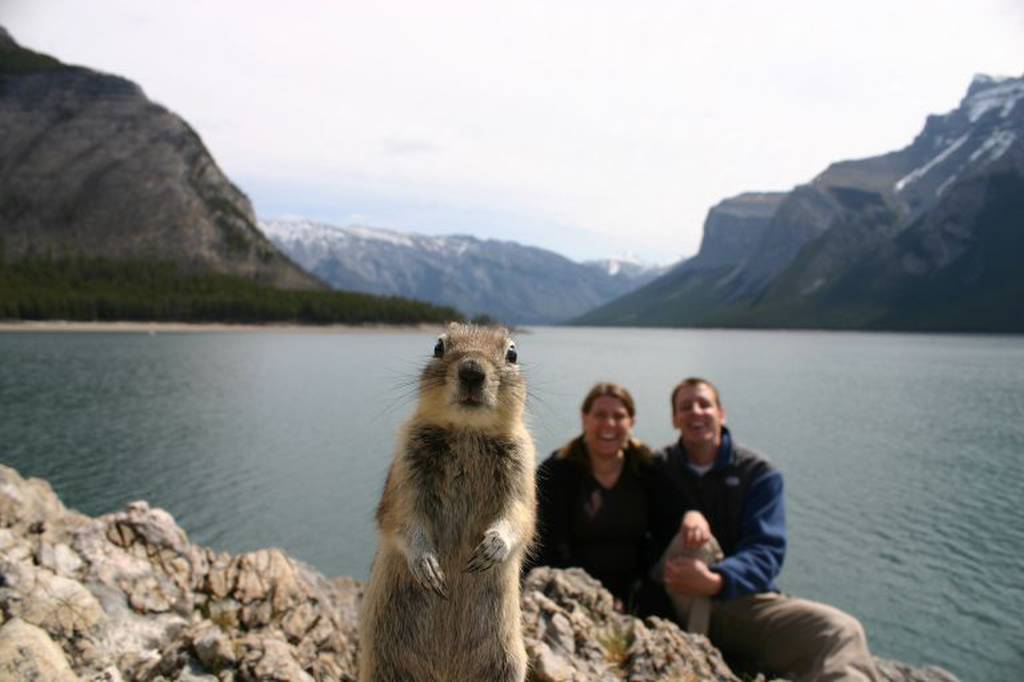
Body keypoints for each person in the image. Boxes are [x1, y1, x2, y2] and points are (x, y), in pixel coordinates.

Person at [653, 377, 880, 682]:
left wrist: (717, 580)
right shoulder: (657, 467)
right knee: (693, 543)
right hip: (673, 595)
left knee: (841, 630)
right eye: (685, 407)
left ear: (721, 413)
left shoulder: (757, 473)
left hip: (737, 602)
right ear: (674, 419)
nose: (696, 412)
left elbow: (766, 551)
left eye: (704, 404)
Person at [530, 382, 662, 612]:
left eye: (619, 416)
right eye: (600, 414)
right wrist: (595, 596)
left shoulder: (647, 468)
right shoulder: (558, 471)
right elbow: (549, 546)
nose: (609, 424)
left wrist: (693, 517)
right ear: (584, 418)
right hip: (572, 587)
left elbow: (671, 523)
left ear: (632, 422)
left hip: (637, 589)